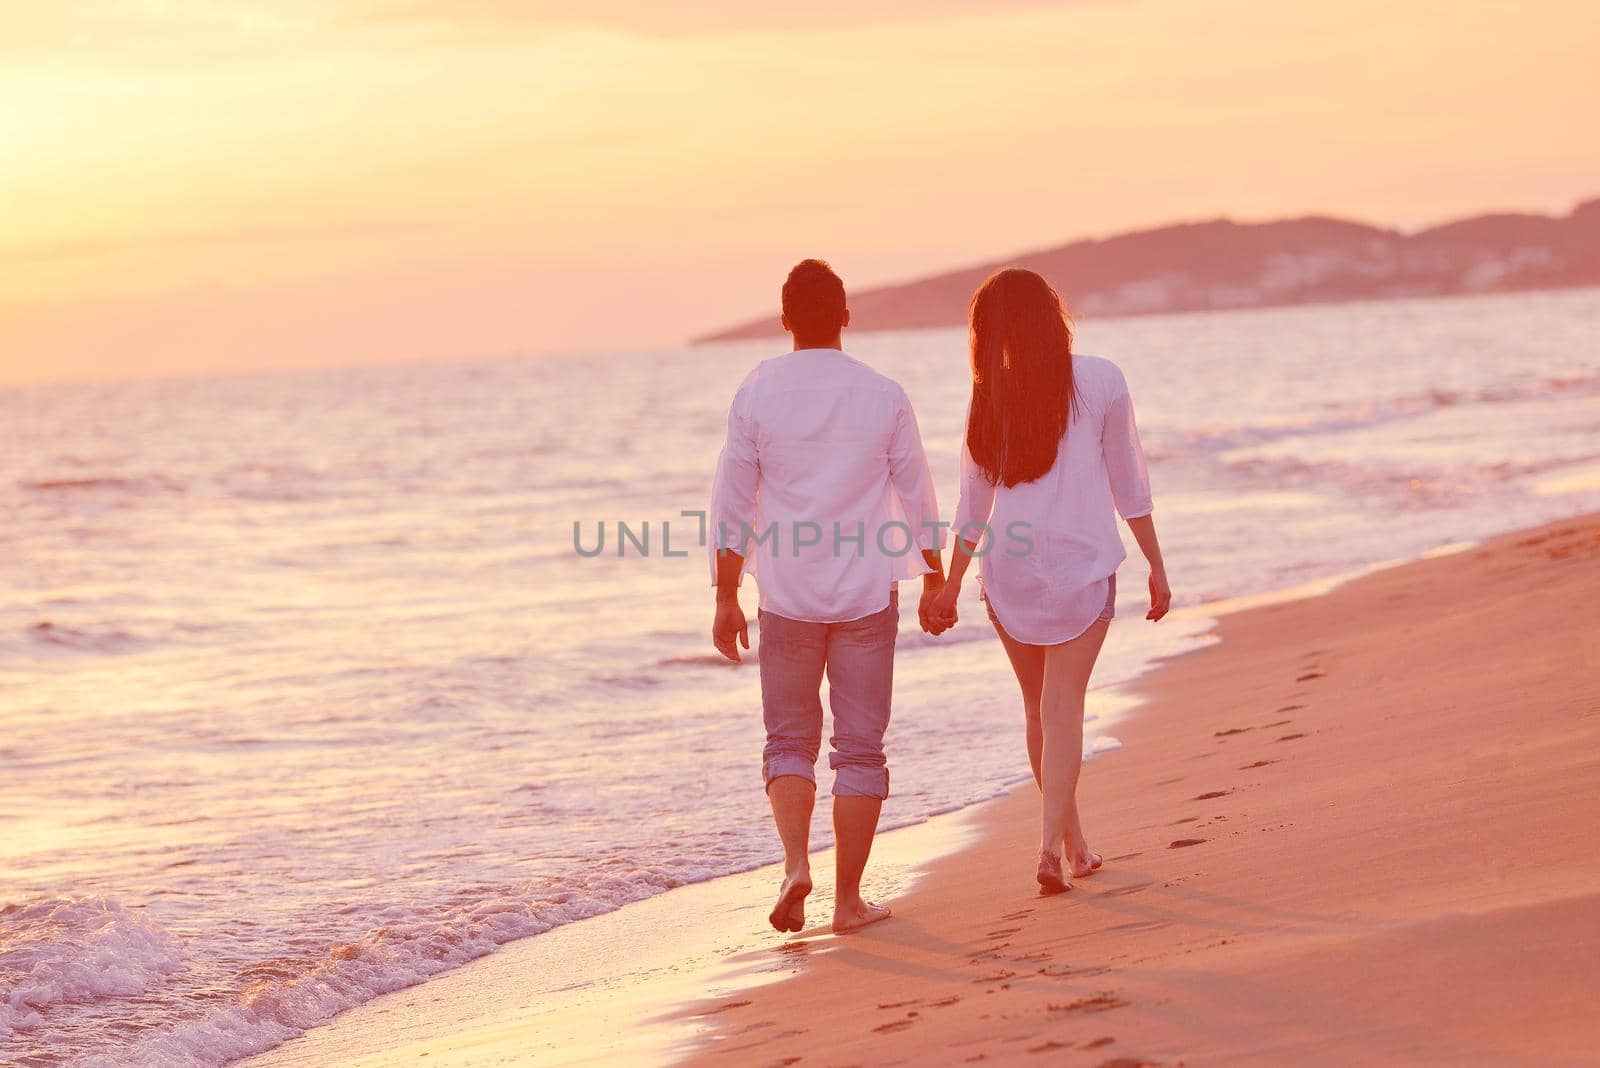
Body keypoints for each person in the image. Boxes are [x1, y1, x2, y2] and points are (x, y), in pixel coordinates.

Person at [709, 259, 947, 933]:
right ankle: (846, 902)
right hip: (867, 595)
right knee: (861, 749)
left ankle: (795, 866)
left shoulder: (756, 391)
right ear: (845, 315)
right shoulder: (881, 393)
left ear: (785, 319)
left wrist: (725, 595)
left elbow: (732, 503)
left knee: (787, 742)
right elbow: (915, 491)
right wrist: (936, 577)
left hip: (786, 595)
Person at [926, 267, 1170, 894]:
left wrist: (952, 584)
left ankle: (1074, 846)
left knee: (1039, 710)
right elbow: (1129, 483)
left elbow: (971, 508)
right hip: (1080, 565)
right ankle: (1046, 848)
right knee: (1064, 710)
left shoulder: (988, 395)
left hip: (1008, 570)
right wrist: (1156, 566)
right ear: (1051, 316)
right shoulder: (1101, 379)